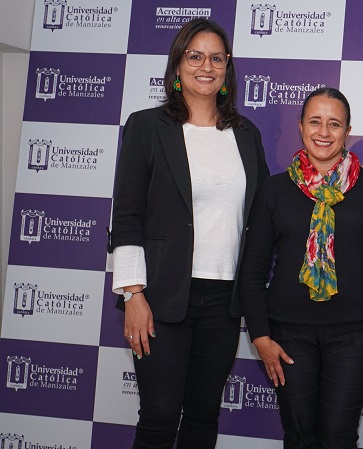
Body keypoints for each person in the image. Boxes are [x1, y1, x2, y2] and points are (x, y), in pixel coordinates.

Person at [109, 18, 269, 449]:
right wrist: (133, 294)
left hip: (223, 300)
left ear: (228, 68)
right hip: (160, 296)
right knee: (160, 416)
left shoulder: (246, 134)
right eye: (194, 56)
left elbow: (262, 218)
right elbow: (126, 215)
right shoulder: (146, 127)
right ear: (177, 65)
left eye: (217, 58)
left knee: (202, 415)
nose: (206, 66)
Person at [238, 87, 363, 449]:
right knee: (299, 438)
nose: (323, 132)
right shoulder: (274, 190)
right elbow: (252, 270)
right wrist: (260, 336)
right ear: (300, 127)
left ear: (347, 131)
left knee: (338, 438)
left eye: (334, 124)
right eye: (315, 121)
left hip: (356, 335)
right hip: (288, 335)